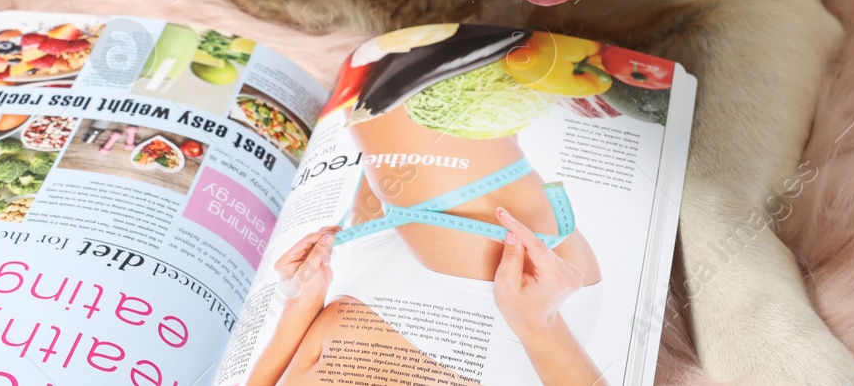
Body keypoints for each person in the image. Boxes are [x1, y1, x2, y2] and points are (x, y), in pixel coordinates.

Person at [248, 99, 605, 386]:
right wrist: (540, 326)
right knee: (412, 72)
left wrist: (299, 302)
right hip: (485, 325)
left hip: (357, 282)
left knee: (385, 82)